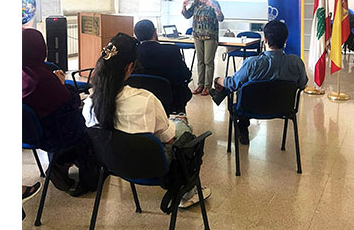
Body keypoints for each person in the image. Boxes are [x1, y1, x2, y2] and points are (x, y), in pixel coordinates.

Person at [88, 33, 212, 209]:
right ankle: (188, 193)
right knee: (183, 127)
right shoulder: (145, 100)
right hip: (153, 167)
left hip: (113, 164)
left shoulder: (89, 104)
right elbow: (169, 140)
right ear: (130, 67)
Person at [22, 28, 99, 197]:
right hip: (54, 136)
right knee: (89, 126)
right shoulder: (43, 78)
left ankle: (59, 166)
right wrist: (62, 84)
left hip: (29, 135)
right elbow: (70, 104)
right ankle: (88, 180)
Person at [209, 20, 308, 145]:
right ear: (285, 40)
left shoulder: (253, 63)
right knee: (245, 86)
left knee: (241, 86)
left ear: (265, 39)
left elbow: (233, 83)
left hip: (249, 109)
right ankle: (220, 97)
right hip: (284, 108)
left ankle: (241, 124)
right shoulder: (296, 62)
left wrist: (217, 79)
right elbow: (302, 84)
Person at [132, 19, 192, 114]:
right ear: (155, 32)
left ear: (136, 36)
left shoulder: (132, 53)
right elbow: (186, 75)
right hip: (172, 100)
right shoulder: (172, 50)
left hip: (140, 100)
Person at [181, 0, 224, 97]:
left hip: (210, 36)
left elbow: (220, 18)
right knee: (200, 61)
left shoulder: (214, 3)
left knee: (208, 61)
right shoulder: (196, 3)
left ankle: (207, 87)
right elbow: (187, 15)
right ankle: (200, 85)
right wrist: (184, 6)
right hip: (197, 35)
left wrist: (216, 9)